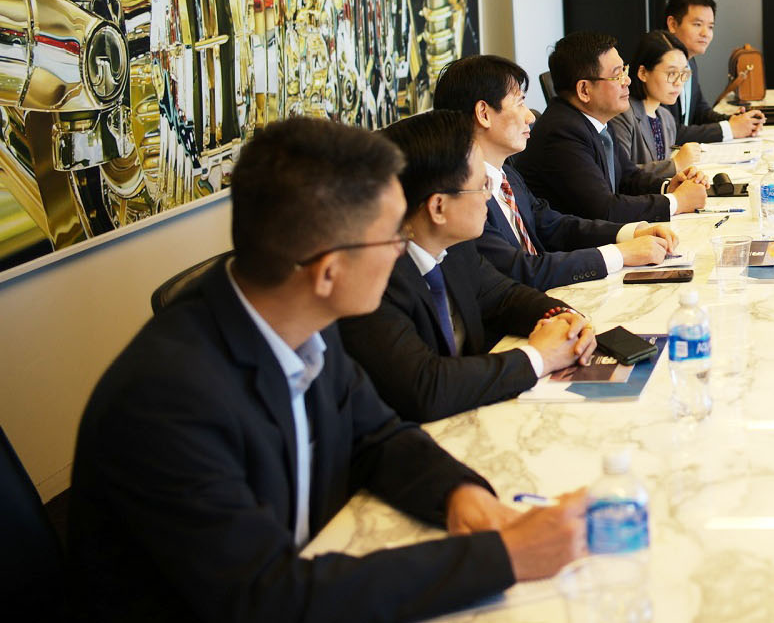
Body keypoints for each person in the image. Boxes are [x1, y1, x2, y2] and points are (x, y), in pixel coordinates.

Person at [69, 117, 587, 623]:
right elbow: (267, 598)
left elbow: (377, 436)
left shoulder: (301, 319)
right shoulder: (166, 400)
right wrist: (504, 557)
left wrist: (460, 495)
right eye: (391, 236)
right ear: (328, 271)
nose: (402, 249)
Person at [338, 111, 597, 423]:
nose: (488, 197)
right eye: (481, 185)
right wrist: (538, 357)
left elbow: (506, 296)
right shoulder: (375, 278)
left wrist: (563, 319)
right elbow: (425, 386)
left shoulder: (456, 247)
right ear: (438, 207)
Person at [433, 54, 680, 289]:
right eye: (520, 102)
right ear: (484, 114)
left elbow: (553, 225)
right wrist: (619, 254)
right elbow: (520, 270)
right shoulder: (462, 197)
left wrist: (632, 232)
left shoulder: (507, 173)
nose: (530, 117)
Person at [516, 31, 709, 223]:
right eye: (617, 75)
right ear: (584, 90)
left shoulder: (595, 120)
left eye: (625, 70)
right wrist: (676, 202)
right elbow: (604, 209)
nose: (627, 80)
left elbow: (628, 177)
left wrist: (670, 186)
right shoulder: (562, 132)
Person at [662, 0, 764, 143]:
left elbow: (701, 113)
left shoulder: (690, 62)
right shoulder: (659, 66)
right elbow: (668, 132)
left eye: (710, 26)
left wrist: (737, 120)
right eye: (697, 24)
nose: (706, 33)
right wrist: (730, 129)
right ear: (673, 24)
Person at [611, 31, 702, 180]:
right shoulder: (622, 115)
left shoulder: (666, 118)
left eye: (684, 73)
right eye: (671, 73)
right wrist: (675, 164)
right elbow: (620, 174)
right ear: (643, 73)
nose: (679, 82)